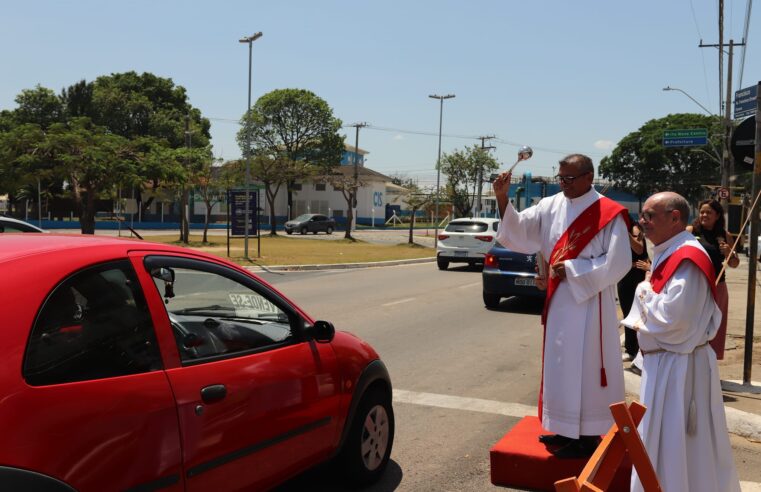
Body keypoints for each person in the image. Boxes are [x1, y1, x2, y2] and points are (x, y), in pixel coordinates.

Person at [492, 154, 631, 458]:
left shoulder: (609, 213)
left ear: (588, 178)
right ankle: (563, 427)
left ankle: (587, 435)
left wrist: (573, 270)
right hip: (559, 302)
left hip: (590, 303)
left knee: (586, 368)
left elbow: (619, 262)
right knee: (560, 364)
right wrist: (503, 198)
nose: (564, 184)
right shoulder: (550, 205)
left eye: (570, 178)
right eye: (561, 178)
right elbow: (522, 233)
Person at [621, 192, 740, 492]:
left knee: (679, 449)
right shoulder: (669, 251)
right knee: (663, 447)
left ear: (675, 218)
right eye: (643, 215)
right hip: (665, 365)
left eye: (650, 216)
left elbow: (676, 319)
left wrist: (642, 290)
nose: (643, 222)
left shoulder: (688, 258)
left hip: (679, 371)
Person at [687, 199, 740, 360]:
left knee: (714, 325)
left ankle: (710, 361)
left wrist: (729, 252)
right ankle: (690, 358)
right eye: (702, 211)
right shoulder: (690, 231)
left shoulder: (725, 235)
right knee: (693, 323)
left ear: (717, 215)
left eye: (709, 212)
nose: (704, 215)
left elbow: (734, 264)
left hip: (718, 286)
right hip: (695, 285)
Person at [617, 221, 649, 362]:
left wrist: (627, 234)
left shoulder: (633, 229)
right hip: (624, 277)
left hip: (637, 279)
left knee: (639, 314)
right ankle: (631, 348)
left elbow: (639, 250)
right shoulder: (617, 232)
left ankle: (636, 349)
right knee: (628, 313)